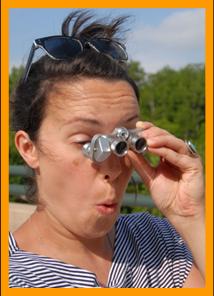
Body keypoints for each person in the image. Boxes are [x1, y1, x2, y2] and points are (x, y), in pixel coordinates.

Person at [9, 10, 205, 288]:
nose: (113, 167)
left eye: (123, 141)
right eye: (85, 142)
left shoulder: (157, 240)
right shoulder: (17, 278)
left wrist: (192, 215)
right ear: (29, 149)